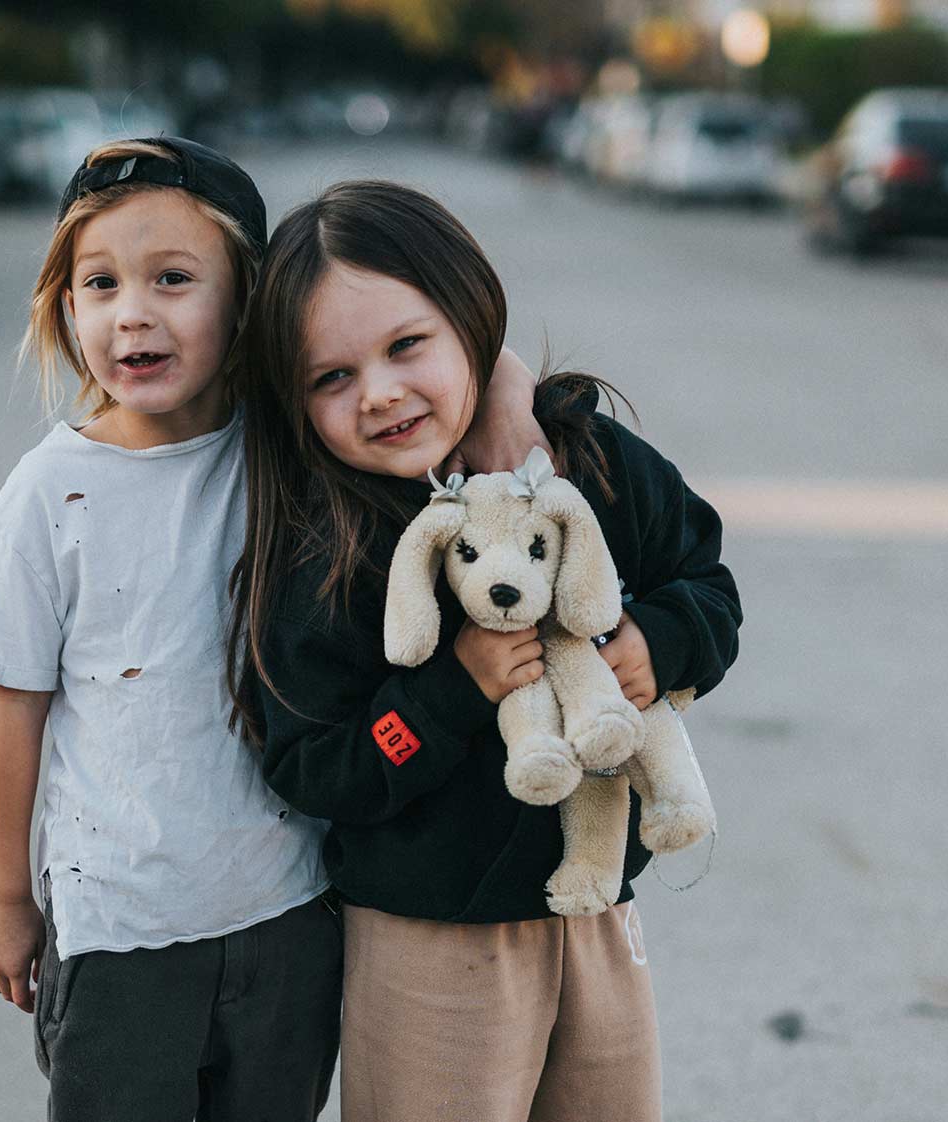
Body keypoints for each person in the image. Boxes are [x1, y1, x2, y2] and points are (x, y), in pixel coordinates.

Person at [0, 140, 543, 1121]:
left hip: (290, 913)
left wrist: (508, 405)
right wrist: (3, 897)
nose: (131, 311)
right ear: (66, 311)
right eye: (98, 284)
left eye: (173, 279)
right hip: (120, 926)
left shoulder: (288, 443)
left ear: (253, 303)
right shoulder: (50, 497)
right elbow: (10, 711)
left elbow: (461, 338)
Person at [229, 180, 742, 1122]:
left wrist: (655, 646)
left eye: (405, 346)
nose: (378, 392)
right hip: (429, 944)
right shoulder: (328, 550)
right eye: (330, 377)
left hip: (594, 913)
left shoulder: (589, 460)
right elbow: (313, 767)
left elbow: (708, 584)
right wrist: (451, 693)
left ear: (471, 320)